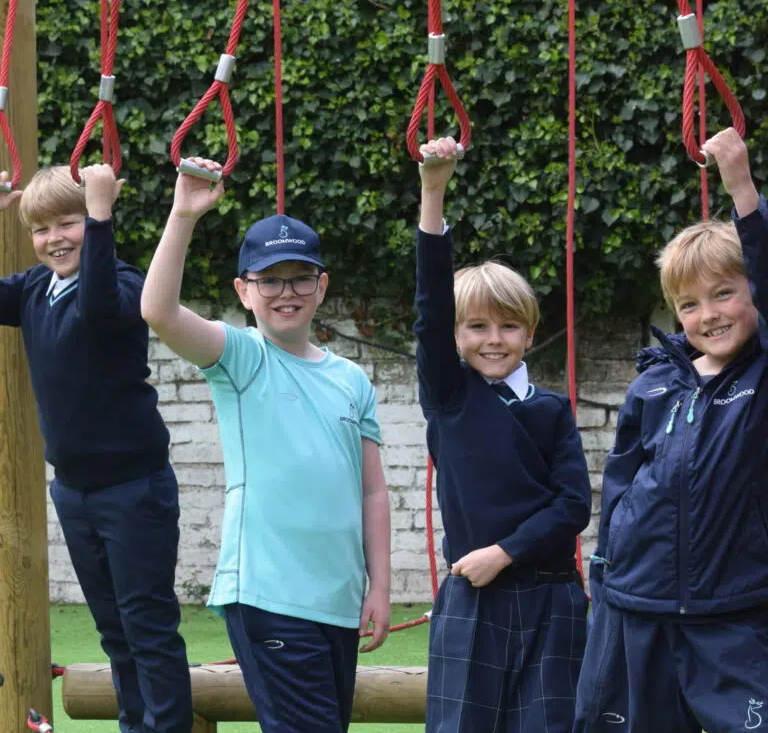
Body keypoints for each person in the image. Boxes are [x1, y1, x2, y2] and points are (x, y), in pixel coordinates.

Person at [140, 158, 391, 733]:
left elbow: (373, 492)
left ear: (321, 285)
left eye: (301, 276)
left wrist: (380, 585)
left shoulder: (352, 379)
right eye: (270, 279)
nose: (287, 291)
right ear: (244, 291)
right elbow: (158, 310)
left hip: (339, 600)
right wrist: (182, 213)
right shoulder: (242, 357)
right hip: (268, 595)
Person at [574, 127, 768, 732]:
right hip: (639, 602)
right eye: (689, 304)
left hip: (734, 607)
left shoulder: (762, 374)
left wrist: (741, 189)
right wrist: (608, 569)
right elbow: (624, 483)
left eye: (724, 293)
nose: (707, 314)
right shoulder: (654, 384)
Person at [0, 165, 193, 732]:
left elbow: (99, 309)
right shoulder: (36, 290)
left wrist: (101, 214)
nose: (55, 238)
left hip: (134, 489)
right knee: (113, 627)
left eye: (70, 222)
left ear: (96, 221)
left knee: (147, 626)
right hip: (75, 492)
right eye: (41, 228)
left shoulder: (126, 284)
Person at [415, 137, 591, 732]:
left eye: (509, 326)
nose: (494, 339)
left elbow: (573, 505)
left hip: (553, 598)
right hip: (472, 600)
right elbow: (430, 305)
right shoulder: (449, 394)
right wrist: (432, 191)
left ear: (530, 332)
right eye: (477, 326)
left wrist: (505, 552)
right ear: (457, 335)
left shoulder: (552, 410)